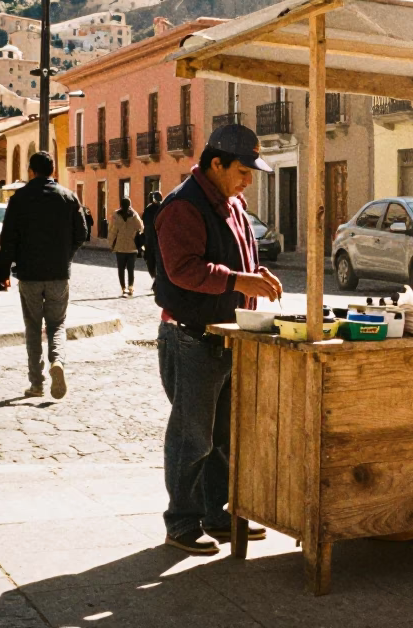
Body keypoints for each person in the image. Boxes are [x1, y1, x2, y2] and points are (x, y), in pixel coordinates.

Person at [154, 125, 283, 555]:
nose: (249, 180)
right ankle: (182, 521)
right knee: (193, 436)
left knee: (225, 436)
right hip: (190, 337)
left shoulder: (233, 205)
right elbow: (184, 270)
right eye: (243, 171)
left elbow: (242, 258)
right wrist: (239, 279)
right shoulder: (182, 207)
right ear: (216, 164)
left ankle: (217, 513)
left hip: (228, 336)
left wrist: (255, 275)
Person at [0, 152, 87, 400]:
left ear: (31, 170)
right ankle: (57, 361)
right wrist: (66, 255)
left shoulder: (19, 199)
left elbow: (8, 239)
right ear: (53, 170)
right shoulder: (68, 197)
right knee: (57, 324)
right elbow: (82, 233)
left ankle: (36, 384)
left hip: (29, 274)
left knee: (33, 327)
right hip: (58, 272)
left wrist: (2, 273)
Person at [108, 197, 144, 297]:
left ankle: (123, 288)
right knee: (131, 269)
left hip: (119, 247)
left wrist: (111, 244)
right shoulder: (134, 215)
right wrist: (134, 212)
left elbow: (112, 231)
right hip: (132, 247)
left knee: (121, 269)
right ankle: (131, 287)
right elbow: (141, 227)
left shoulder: (115, 215)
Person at [141, 191, 164, 279]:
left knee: (150, 258)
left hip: (150, 237)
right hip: (159, 238)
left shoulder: (149, 208)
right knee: (159, 259)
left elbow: (144, 221)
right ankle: (157, 278)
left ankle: (154, 277)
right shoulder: (163, 207)